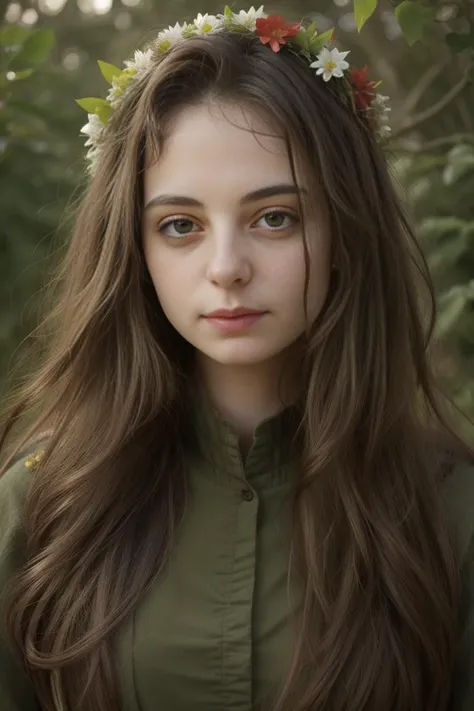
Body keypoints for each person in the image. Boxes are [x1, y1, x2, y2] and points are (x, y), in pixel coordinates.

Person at [0, 5, 473, 711]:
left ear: (344, 228)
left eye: (273, 217)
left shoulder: (450, 511)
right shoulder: (43, 503)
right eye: (181, 225)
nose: (226, 267)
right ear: (136, 250)